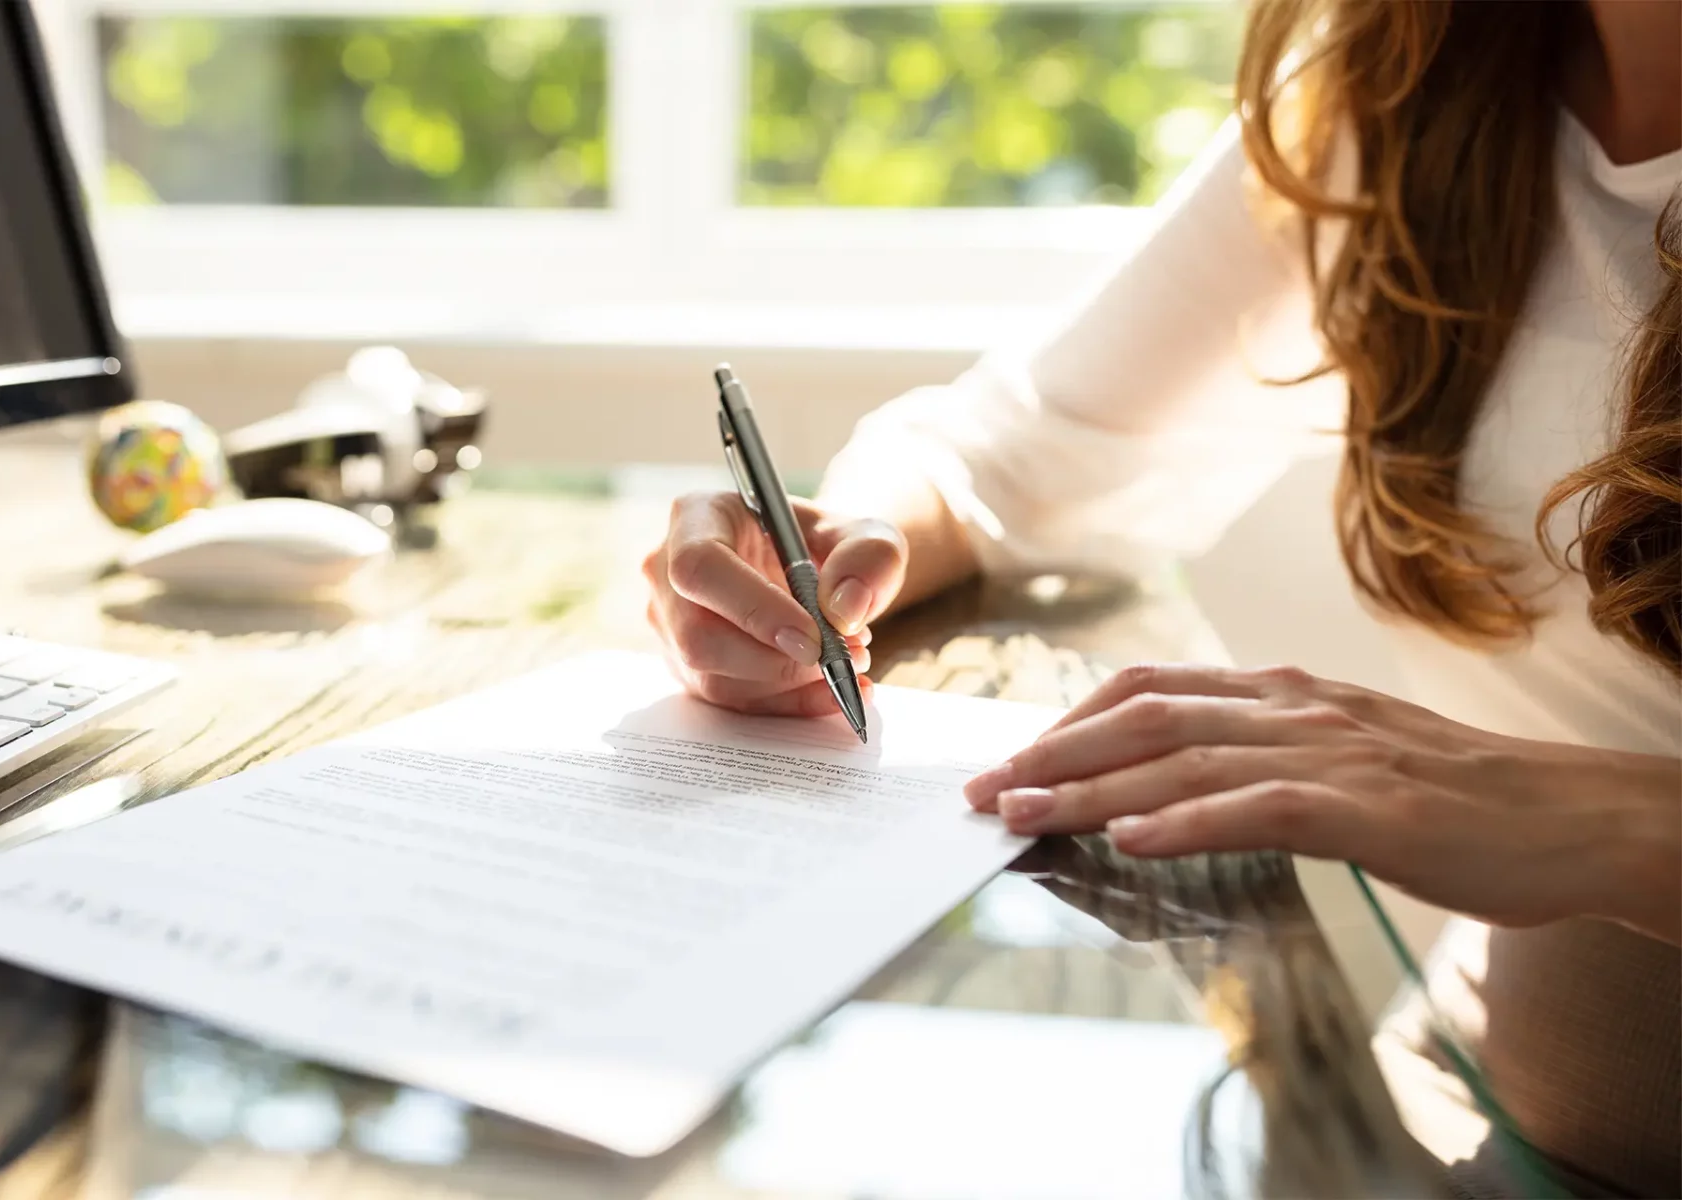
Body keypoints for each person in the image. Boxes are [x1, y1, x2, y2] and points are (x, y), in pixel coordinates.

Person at [643, 0, 1680, 1194]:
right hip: (1457, 1096)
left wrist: (1631, 821)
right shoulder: (1414, 80)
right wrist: (838, 548)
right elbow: (1004, 458)